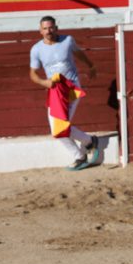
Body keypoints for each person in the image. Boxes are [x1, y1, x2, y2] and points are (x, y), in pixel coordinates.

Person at [29, 16, 101, 170]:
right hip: (55, 90)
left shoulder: (68, 40)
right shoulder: (36, 49)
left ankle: (80, 155)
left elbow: (79, 53)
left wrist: (91, 66)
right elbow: (33, 74)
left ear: (56, 28)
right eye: (45, 28)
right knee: (56, 129)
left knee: (60, 127)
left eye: (51, 27)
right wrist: (44, 82)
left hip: (71, 87)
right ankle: (88, 142)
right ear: (40, 31)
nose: (48, 31)